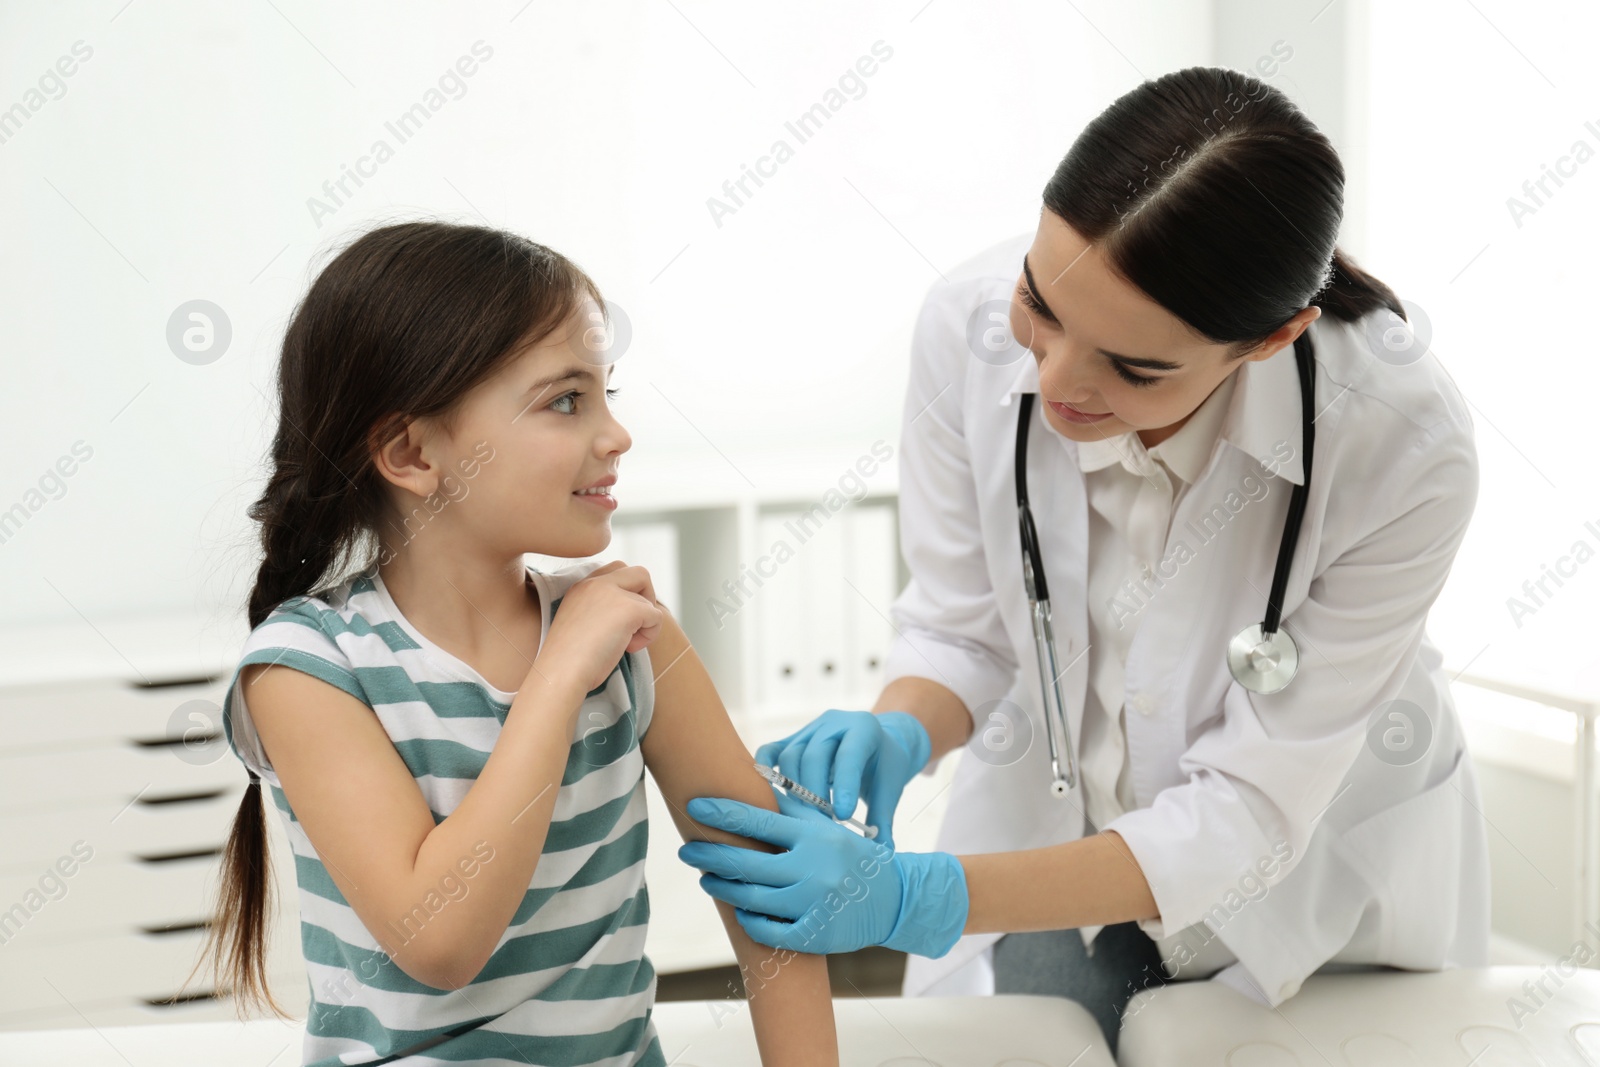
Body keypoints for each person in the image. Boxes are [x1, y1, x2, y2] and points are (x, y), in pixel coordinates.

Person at [676, 65, 1489, 1055]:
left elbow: (1247, 807)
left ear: (1269, 339)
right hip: (1056, 821)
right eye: (1040, 305)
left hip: (1315, 875)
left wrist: (920, 895)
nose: (1054, 381)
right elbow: (961, 623)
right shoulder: (965, 325)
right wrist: (897, 727)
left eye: (1134, 367)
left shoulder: (1400, 439)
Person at [185, 222, 839, 1067]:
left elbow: (768, 895)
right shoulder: (309, 670)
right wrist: (560, 673)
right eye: (567, 400)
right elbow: (441, 939)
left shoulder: (632, 638)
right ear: (413, 452)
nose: (616, 434)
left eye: (607, 394)